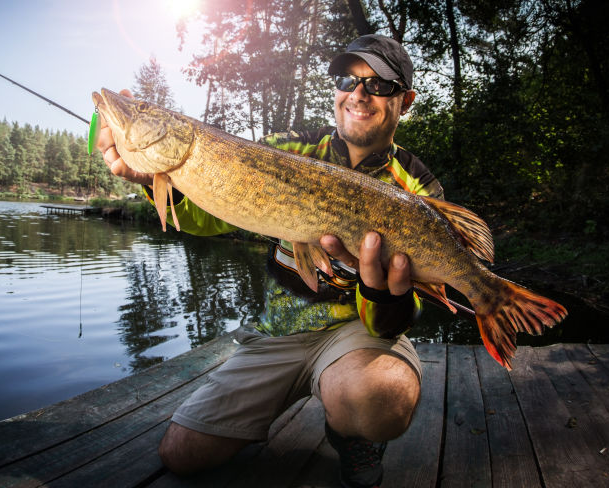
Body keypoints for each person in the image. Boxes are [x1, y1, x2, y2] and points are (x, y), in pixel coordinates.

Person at [95, 34, 444, 488]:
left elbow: (396, 321)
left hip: (357, 338)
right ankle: (265, 414)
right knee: (180, 454)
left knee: (380, 398)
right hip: (276, 335)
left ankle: (352, 435)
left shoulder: (417, 188)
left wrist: (376, 288)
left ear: (405, 100)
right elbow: (209, 216)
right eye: (348, 80)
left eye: (378, 85)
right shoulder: (290, 147)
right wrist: (153, 178)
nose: (359, 94)